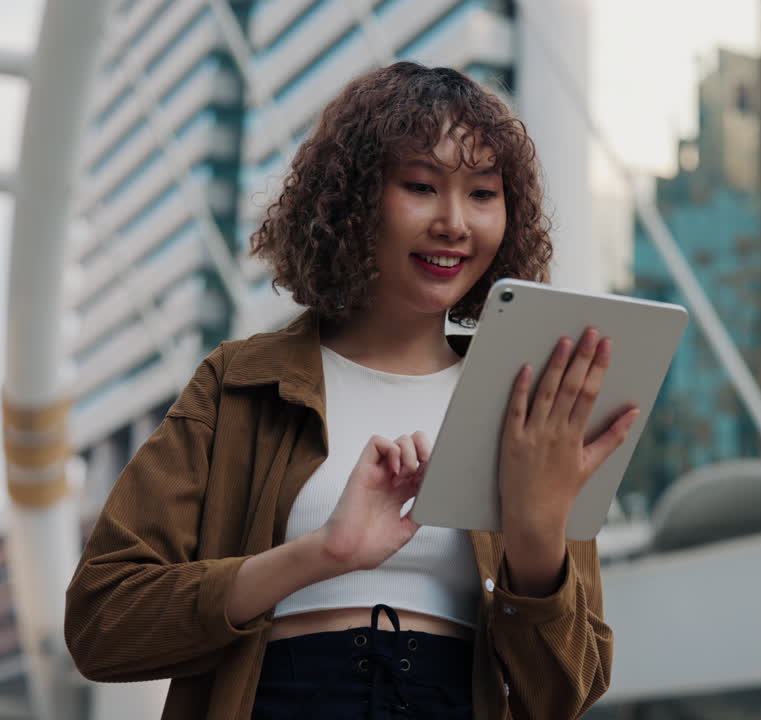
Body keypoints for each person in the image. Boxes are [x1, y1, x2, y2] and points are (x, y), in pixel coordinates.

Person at [65, 62, 636, 720]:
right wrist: (322, 554)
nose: (454, 222)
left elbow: (564, 693)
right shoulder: (241, 384)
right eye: (421, 186)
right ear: (351, 200)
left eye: (483, 194)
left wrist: (537, 539)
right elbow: (102, 625)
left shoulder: (531, 404)